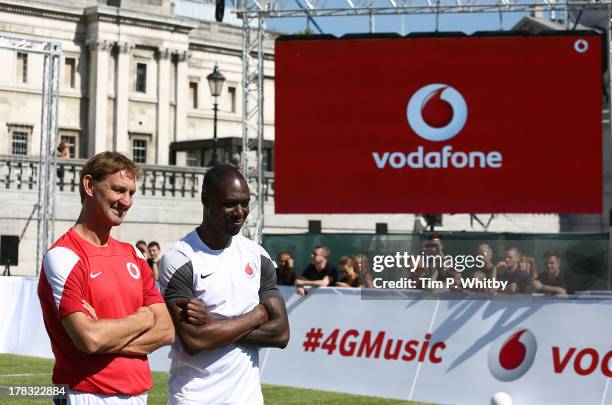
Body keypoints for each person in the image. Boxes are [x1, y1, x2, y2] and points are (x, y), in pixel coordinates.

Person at [37, 151, 174, 404]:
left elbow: (166, 331)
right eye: (119, 190)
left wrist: (105, 335)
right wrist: (142, 319)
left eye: (131, 193)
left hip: (138, 394)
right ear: (89, 186)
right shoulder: (63, 256)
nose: (127, 201)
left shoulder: (133, 254)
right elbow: (90, 339)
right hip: (84, 394)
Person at [159, 164, 289, 405]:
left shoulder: (257, 256)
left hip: (247, 399)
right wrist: (258, 315)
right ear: (205, 199)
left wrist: (214, 324)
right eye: (230, 203)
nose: (239, 211)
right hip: (194, 398)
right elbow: (194, 341)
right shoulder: (180, 258)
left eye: (245, 203)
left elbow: (281, 333)